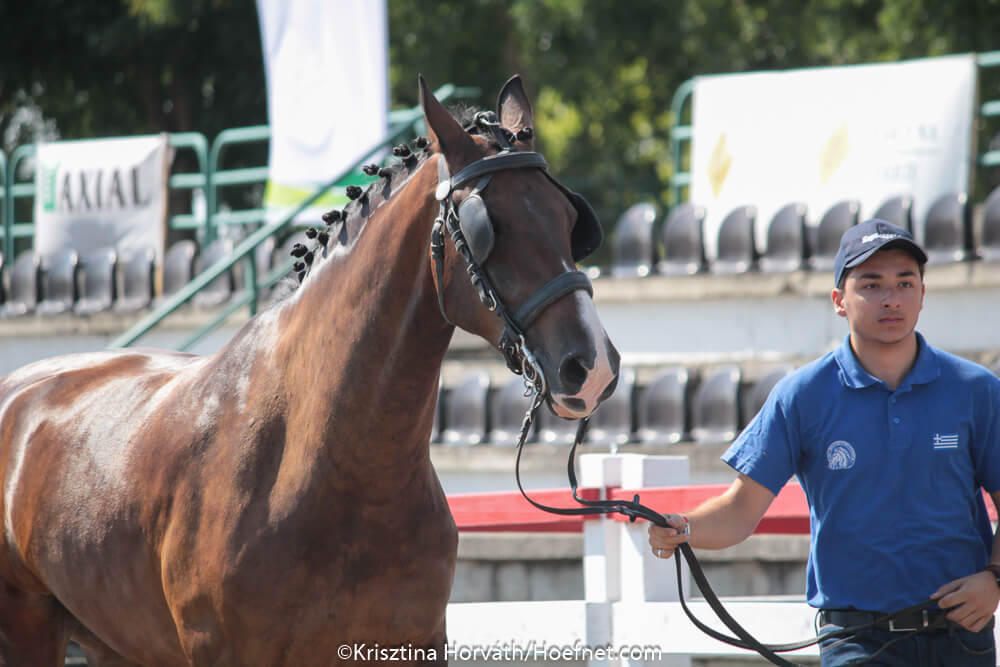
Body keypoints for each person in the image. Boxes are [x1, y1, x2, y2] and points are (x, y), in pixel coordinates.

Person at [649, 219, 1000, 666]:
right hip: (857, 639)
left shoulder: (976, 389)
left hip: (962, 636)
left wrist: (995, 578)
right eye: (870, 285)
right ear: (839, 301)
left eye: (905, 283)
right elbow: (740, 510)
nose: (891, 298)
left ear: (923, 294)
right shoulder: (802, 395)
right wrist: (684, 528)